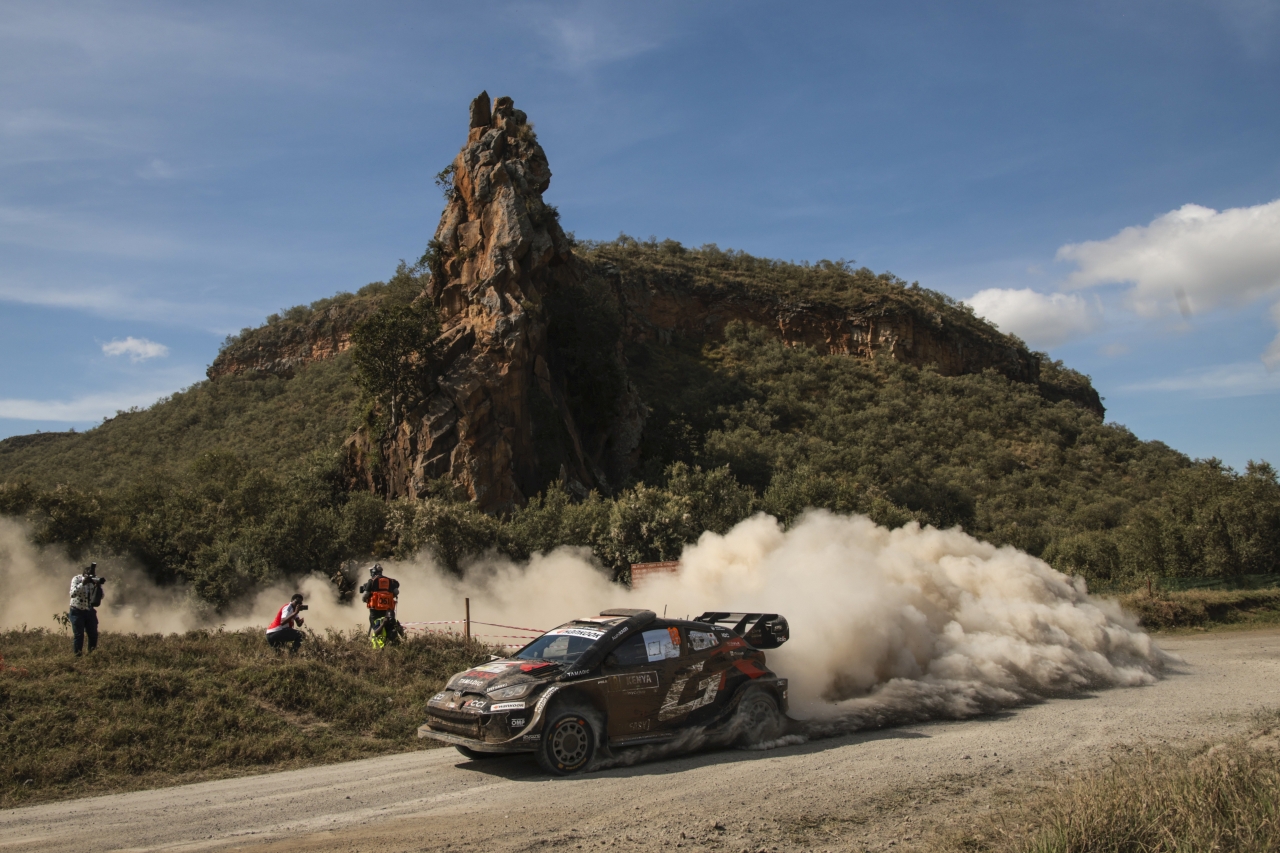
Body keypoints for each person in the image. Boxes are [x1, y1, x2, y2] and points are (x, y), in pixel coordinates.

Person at [68, 562, 104, 656]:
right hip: (77, 610)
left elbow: (101, 596)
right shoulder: (77, 579)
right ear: (84, 574)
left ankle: (91, 655)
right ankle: (78, 656)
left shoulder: (95, 580)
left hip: (89, 611)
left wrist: (98, 587)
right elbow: (72, 594)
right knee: (79, 635)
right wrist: (82, 584)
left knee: (93, 634)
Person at [359, 564, 400, 631]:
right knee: (390, 624)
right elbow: (397, 592)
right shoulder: (389, 580)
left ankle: (377, 633)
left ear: (373, 572)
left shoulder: (372, 581)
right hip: (387, 608)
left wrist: (364, 600)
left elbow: (365, 595)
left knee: (374, 623)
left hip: (375, 609)